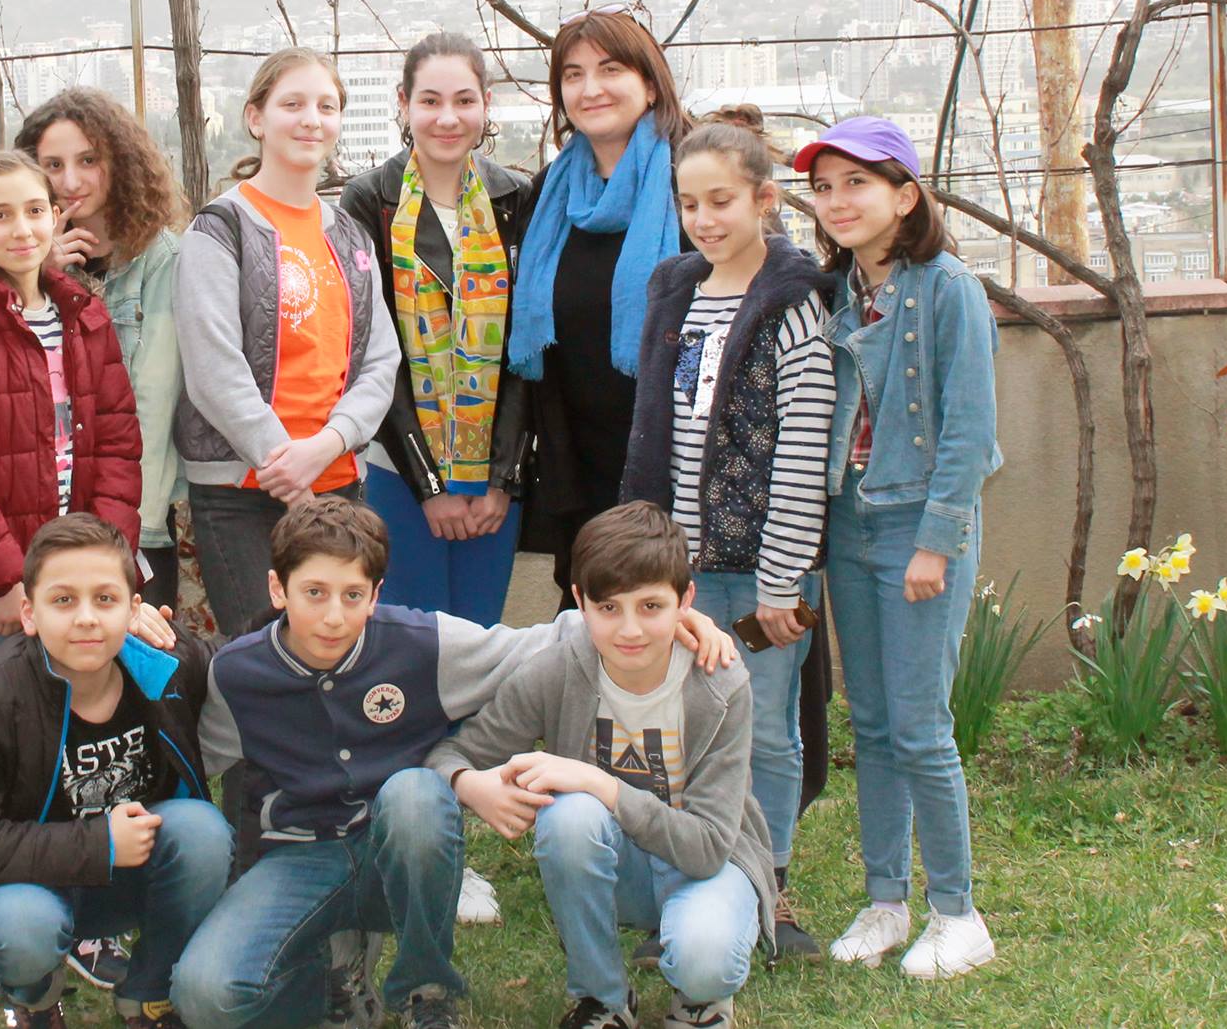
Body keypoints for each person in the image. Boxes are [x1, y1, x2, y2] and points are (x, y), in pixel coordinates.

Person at [168, 496, 741, 1029]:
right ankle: (331, 977)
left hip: (400, 853)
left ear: (376, 594)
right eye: (314, 592)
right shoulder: (239, 674)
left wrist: (673, 622)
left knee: (415, 792)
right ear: (278, 588)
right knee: (204, 996)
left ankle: (427, 992)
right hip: (297, 858)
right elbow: (190, 759)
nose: (334, 616)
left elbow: (541, 642)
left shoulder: (424, 644)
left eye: (352, 595)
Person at [617, 114, 835, 960]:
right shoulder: (675, 288)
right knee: (684, 728)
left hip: (767, 572)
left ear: (764, 199)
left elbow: (804, 446)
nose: (704, 219)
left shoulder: (794, 299)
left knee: (767, 729)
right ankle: (692, 883)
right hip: (686, 569)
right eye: (690, 204)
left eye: (722, 201)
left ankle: (765, 888)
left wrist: (782, 580)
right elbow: (658, 426)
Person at [428, 502, 778, 1029]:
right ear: (580, 602)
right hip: (619, 863)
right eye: (609, 607)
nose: (630, 629)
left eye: (651, 606)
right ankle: (603, 999)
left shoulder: (719, 683)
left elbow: (708, 848)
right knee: (568, 817)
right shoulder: (557, 670)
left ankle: (700, 999)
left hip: (709, 865)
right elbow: (448, 756)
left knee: (704, 959)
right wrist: (469, 784)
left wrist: (599, 782)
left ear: (686, 601)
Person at [794, 115, 1002, 979]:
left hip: (918, 525)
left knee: (920, 727)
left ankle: (958, 912)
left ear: (905, 195)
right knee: (872, 725)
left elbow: (970, 430)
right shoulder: (836, 291)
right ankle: (886, 901)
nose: (837, 201)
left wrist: (937, 542)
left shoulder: (949, 288)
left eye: (858, 183)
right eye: (824, 186)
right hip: (850, 525)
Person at [0, 515, 230, 1029]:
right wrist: (100, 843)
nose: (87, 618)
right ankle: (35, 997)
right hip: (21, 888)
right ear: (29, 613)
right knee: (24, 927)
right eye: (64, 600)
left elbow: (252, 659)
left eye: (105, 599)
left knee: (203, 832)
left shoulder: (163, 666)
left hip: (123, 879)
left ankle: (149, 993)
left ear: (133, 610)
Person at [173, 47, 400, 638]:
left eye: (326, 106)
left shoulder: (350, 235)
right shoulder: (220, 228)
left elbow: (382, 360)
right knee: (264, 656)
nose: (311, 120)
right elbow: (212, 368)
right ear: (256, 118)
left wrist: (326, 446)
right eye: (292, 104)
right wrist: (287, 463)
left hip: (338, 481)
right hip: (243, 491)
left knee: (339, 647)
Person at [0, 149, 143, 655]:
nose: (21, 230)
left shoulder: (86, 314)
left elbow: (119, 448)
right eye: (0, 215)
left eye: (35, 211)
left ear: (54, 217)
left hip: (78, 575)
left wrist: (107, 563)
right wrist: (4, 581)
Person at [338, 32, 534, 625]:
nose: (448, 118)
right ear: (403, 104)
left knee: (480, 640)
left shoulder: (516, 198)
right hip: (399, 469)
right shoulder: (368, 200)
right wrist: (430, 486)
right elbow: (372, 351)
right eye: (429, 101)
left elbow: (525, 350)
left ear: (486, 104)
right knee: (411, 644)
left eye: (464, 100)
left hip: (493, 480)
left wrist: (502, 479)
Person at [510, 6, 687, 606]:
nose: (591, 89)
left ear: (649, 82)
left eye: (610, 69)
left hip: (677, 465)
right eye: (573, 74)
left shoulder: (691, 181)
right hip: (578, 465)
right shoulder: (550, 193)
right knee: (592, 629)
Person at [17, 89, 190, 615]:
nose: (70, 181)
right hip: (36, 514)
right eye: (53, 165)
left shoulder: (161, 261)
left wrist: (134, 532)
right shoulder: (17, 265)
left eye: (88, 160)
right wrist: (38, 275)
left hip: (131, 518)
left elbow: (152, 404)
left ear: (120, 162)